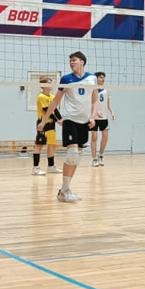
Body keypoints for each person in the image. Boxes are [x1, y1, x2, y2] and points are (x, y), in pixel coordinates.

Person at [38, 51, 96, 202]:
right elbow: (55, 101)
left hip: (84, 122)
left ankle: (65, 191)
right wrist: (44, 121)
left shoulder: (92, 78)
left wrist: (92, 116)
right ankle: (64, 191)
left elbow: (94, 99)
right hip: (70, 120)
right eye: (70, 61)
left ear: (82, 61)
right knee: (72, 155)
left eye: (74, 60)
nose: (71, 63)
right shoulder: (66, 79)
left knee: (77, 158)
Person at [32, 77, 58, 175]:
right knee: (39, 145)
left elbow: (55, 110)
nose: (51, 84)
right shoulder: (41, 96)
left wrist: (60, 119)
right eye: (49, 83)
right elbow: (47, 110)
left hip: (51, 123)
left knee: (51, 145)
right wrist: (58, 120)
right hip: (42, 123)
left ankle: (51, 167)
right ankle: (36, 168)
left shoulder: (52, 96)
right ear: (43, 85)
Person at [90, 71, 116, 167]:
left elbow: (108, 103)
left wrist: (112, 112)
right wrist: (96, 112)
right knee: (94, 137)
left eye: (103, 77)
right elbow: (90, 103)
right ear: (96, 78)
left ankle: (101, 155)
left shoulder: (107, 90)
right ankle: (94, 159)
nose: (103, 79)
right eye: (101, 77)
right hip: (94, 117)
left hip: (104, 117)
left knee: (105, 137)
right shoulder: (92, 90)